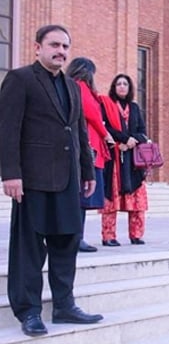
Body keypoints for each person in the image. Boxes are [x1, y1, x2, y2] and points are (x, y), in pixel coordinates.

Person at [0, 24, 104, 336]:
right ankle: (29, 311)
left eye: (65, 46)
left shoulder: (72, 86)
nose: (60, 51)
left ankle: (64, 306)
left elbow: (80, 131)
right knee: (30, 247)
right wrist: (10, 173)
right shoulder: (20, 79)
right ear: (38, 48)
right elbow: (7, 129)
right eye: (54, 45)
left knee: (67, 242)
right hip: (32, 178)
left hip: (69, 178)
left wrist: (87, 170)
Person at [66, 57, 115, 252]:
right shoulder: (80, 86)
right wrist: (106, 134)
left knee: (81, 197)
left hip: (87, 146)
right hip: (89, 148)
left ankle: (76, 238)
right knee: (82, 195)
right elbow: (92, 114)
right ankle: (76, 239)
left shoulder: (72, 86)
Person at [99, 73, 149, 246]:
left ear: (129, 88)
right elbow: (104, 127)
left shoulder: (134, 108)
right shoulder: (106, 105)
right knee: (111, 199)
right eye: (118, 84)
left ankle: (136, 235)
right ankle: (108, 236)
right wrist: (122, 140)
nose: (122, 86)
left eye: (125, 84)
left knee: (137, 200)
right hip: (114, 158)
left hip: (133, 161)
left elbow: (143, 132)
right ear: (114, 87)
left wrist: (132, 141)